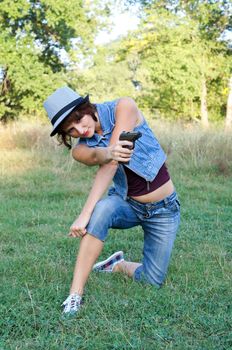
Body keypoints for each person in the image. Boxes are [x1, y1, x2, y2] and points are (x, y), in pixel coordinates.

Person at [43, 86, 180, 315]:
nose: (80, 129)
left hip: (164, 210)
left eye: (78, 119)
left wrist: (84, 213)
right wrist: (108, 153)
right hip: (128, 205)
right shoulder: (80, 150)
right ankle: (75, 295)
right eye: (71, 130)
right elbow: (102, 158)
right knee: (102, 210)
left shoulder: (123, 106)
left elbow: (113, 163)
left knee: (152, 281)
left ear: (85, 108)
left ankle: (116, 264)